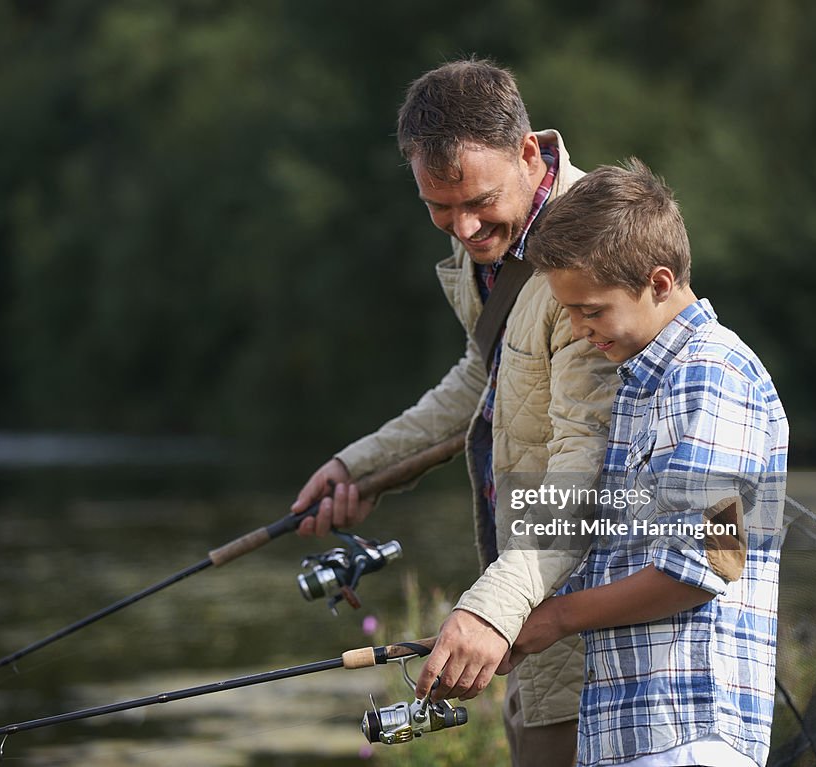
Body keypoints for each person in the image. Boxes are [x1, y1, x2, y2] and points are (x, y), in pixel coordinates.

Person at [290, 58, 618, 766]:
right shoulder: (495, 232)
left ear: (528, 152)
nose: (464, 227)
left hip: (600, 645)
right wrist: (362, 467)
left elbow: (583, 473)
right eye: (438, 207)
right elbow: (487, 375)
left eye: (477, 201)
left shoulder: (598, 252)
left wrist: (488, 608)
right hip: (528, 618)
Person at [492, 158, 788, 767]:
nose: (576, 327)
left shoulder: (708, 375)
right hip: (639, 737)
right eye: (568, 310)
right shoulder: (641, 386)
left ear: (658, 282)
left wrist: (556, 618)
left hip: (689, 739)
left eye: (591, 310)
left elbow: (701, 566)